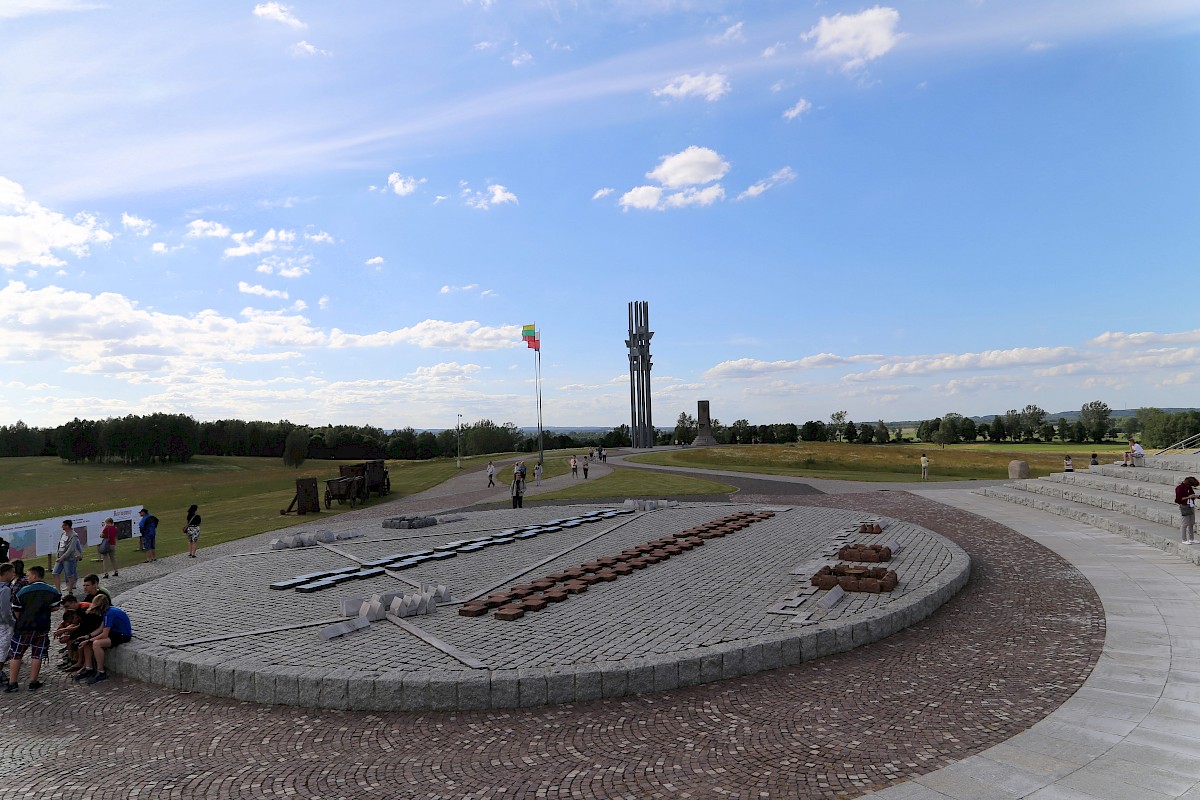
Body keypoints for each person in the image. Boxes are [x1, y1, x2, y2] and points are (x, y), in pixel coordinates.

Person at [7, 565, 61, 692]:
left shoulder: (23, 591)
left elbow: (16, 609)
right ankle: (33, 682)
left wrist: (22, 619)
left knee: (16, 654)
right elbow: (55, 607)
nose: (27, 577)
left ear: (35, 576)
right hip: (42, 627)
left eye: (29, 575)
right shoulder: (52, 591)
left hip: (24, 627)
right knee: (37, 654)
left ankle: (12, 683)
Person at [72, 593, 131, 685]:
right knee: (87, 642)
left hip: (122, 635)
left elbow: (104, 634)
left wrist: (89, 640)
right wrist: (87, 636)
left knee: (96, 644)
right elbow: (100, 628)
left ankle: (101, 671)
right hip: (115, 632)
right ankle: (89, 668)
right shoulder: (107, 611)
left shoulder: (109, 613)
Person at [52, 519, 83, 594]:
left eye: (63, 525)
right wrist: (58, 555)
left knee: (69, 575)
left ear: (67, 526)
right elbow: (60, 545)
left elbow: (71, 549)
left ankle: (70, 591)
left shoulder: (74, 535)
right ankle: (58, 591)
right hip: (60, 557)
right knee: (55, 573)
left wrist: (62, 557)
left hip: (68, 559)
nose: (61, 526)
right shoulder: (63, 534)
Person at [1176, 477, 1199, 545]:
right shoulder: (1180, 488)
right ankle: (1184, 539)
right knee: (1185, 523)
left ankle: (1191, 539)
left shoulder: (1189, 487)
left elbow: (1192, 495)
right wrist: (1189, 497)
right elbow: (1178, 499)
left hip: (1191, 505)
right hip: (1184, 506)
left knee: (1191, 523)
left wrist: (1196, 496)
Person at [0, 564, 13, 678]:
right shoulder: (5, 589)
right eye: (12, 572)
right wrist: (12, 623)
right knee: (3, 650)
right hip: (3, 624)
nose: (13, 574)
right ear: (6, 573)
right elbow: (5, 611)